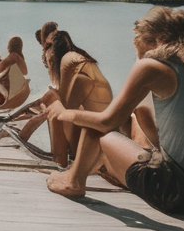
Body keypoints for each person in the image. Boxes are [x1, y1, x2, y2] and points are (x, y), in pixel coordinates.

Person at [44, 7, 184, 215]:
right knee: (122, 133)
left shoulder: (152, 67)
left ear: (155, 39)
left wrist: (64, 113)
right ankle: (75, 173)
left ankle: (73, 181)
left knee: (97, 126)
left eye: (138, 38)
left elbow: (105, 122)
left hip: (182, 194)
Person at [18, 28, 115, 165]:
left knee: (52, 99)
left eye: (51, 61)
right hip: (95, 134)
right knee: (51, 97)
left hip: (95, 145)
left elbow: (64, 107)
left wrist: (37, 118)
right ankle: (55, 155)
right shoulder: (82, 64)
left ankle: (59, 160)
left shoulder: (77, 73)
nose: (50, 64)